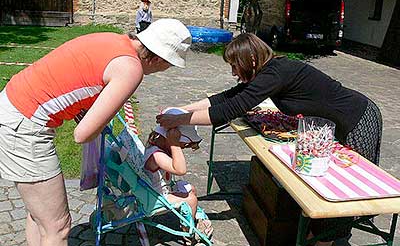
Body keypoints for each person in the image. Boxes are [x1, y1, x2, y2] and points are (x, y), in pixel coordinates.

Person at [156, 33, 383, 246]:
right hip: (337, 122)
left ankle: (325, 238)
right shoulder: (269, 71)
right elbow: (228, 97)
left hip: (358, 118)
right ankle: (320, 231)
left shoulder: (276, 72)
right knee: (329, 180)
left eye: (235, 65)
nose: (234, 72)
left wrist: (179, 120)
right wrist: (180, 111)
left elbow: (230, 110)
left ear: (252, 59)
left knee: (345, 189)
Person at [0, 18, 191, 246]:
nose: (164, 70)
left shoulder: (113, 40)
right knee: (57, 226)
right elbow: (82, 135)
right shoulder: (131, 69)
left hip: (12, 105)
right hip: (25, 127)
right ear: (160, 58)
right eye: (169, 65)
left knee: (39, 213)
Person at [144, 107, 213, 244]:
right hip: (154, 196)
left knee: (191, 188)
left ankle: (191, 218)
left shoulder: (160, 146)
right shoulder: (156, 155)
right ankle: (189, 232)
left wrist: (174, 144)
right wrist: (174, 144)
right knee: (191, 200)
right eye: (183, 144)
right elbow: (180, 169)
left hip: (162, 188)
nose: (183, 147)